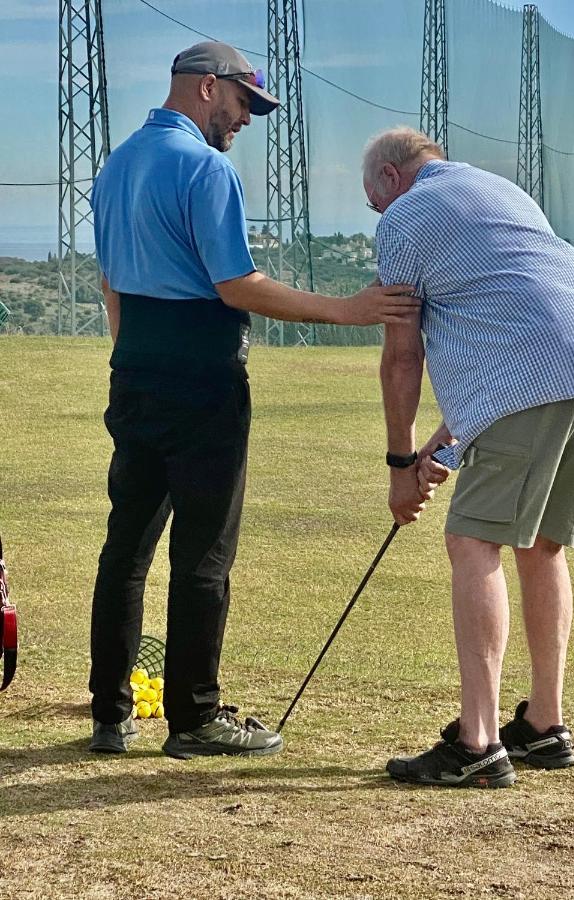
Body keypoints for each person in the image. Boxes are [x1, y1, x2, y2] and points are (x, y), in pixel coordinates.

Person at [88, 42, 418, 760]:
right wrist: (348, 309)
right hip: (202, 380)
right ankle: (194, 720)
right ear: (208, 89)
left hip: (134, 369)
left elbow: (111, 282)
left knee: (126, 549)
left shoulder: (113, 166)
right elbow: (236, 284)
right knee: (203, 553)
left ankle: (110, 716)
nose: (244, 122)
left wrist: (133, 357)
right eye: (242, 106)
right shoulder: (206, 168)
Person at [362, 126, 574, 788]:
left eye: (375, 201)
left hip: (535, 373)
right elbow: (507, 308)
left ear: (392, 178)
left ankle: (477, 744)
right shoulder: (495, 190)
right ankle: (543, 726)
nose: (379, 216)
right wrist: (444, 439)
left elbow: (404, 354)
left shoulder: (404, 217)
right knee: (541, 543)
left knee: (471, 541)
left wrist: (401, 465)